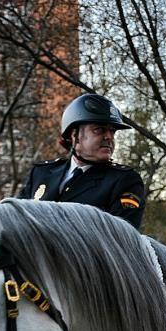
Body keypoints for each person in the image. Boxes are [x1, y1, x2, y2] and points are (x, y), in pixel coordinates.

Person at [19, 93, 146, 229]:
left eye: (112, 131)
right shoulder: (41, 173)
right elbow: (16, 220)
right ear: (75, 136)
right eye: (99, 130)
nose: (109, 137)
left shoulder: (124, 181)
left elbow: (121, 236)